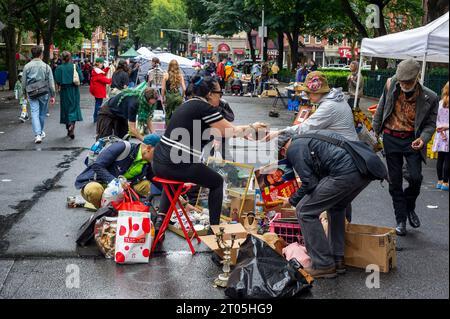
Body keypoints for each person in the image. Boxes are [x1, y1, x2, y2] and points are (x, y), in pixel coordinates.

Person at [152, 75, 266, 235]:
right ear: (210, 94)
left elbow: (220, 132)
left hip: (159, 163)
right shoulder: (204, 108)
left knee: (174, 182)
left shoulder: (189, 104)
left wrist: (242, 133)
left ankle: (159, 223)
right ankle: (214, 230)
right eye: (220, 93)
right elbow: (230, 130)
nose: (220, 97)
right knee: (217, 182)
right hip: (175, 163)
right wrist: (252, 127)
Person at [277, 130, 372, 278]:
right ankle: (337, 259)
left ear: (283, 150)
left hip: (345, 172)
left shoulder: (294, 148)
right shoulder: (308, 138)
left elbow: (309, 183)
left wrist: (291, 200)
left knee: (304, 211)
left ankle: (323, 264)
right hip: (364, 170)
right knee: (336, 206)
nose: (285, 158)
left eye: (282, 156)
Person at [373, 58, 439, 236]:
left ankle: (410, 207)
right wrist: (374, 133)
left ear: (417, 78)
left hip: (412, 140)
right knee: (394, 182)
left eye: (408, 82)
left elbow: (431, 124)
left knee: (416, 178)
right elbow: (381, 109)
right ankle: (400, 220)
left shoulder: (430, 97)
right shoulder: (391, 85)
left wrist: (424, 139)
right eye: (401, 81)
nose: (403, 85)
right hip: (391, 138)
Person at [266, 71, 358, 142]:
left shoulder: (329, 106)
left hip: (345, 151)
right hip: (347, 145)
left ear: (318, 92)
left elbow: (305, 128)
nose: (307, 96)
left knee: (297, 145)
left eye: (308, 93)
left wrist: (278, 133)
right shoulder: (335, 99)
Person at [75, 134, 161, 209]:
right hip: (100, 182)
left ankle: (120, 207)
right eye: (158, 152)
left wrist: (171, 191)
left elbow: (155, 179)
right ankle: (104, 211)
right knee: (93, 190)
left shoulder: (147, 162)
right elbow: (97, 165)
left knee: (146, 186)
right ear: (148, 148)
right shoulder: (122, 147)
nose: (159, 156)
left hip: (123, 189)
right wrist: (116, 182)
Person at [22, 45, 56, 144]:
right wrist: (53, 95)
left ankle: (37, 134)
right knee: (42, 113)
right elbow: (51, 82)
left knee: (34, 112)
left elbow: (23, 82)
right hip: (43, 92)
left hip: (31, 92)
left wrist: (24, 94)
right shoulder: (46, 66)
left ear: (32, 54)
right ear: (41, 54)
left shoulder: (27, 66)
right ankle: (40, 132)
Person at [54, 51, 84, 139]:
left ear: (62, 58)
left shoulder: (59, 68)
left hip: (64, 91)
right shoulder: (75, 66)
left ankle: (68, 126)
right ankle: (72, 126)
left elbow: (58, 80)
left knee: (65, 109)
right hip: (74, 90)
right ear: (70, 58)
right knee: (74, 108)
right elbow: (81, 78)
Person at [432, 81, 449, 191]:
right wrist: (446, 128)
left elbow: (436, 119)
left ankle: (439, 181)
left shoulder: (440, 102)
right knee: (448, 160)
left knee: (440, 158)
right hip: (448, 133)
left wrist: (440, 129)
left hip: (439, 134)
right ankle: (445, 183)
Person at [90, 57, 112, 123]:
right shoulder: (97, 72)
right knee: (98, 104)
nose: (102, 64)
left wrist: (107, 68)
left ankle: (96, 117)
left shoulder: (96, 70)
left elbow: (103, 73)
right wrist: (113, 78)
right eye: (102, 63)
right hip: (98, 90)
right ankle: (96, 118)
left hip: (96, 90)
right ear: (98, 63)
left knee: (98, 103)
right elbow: (106, 80)